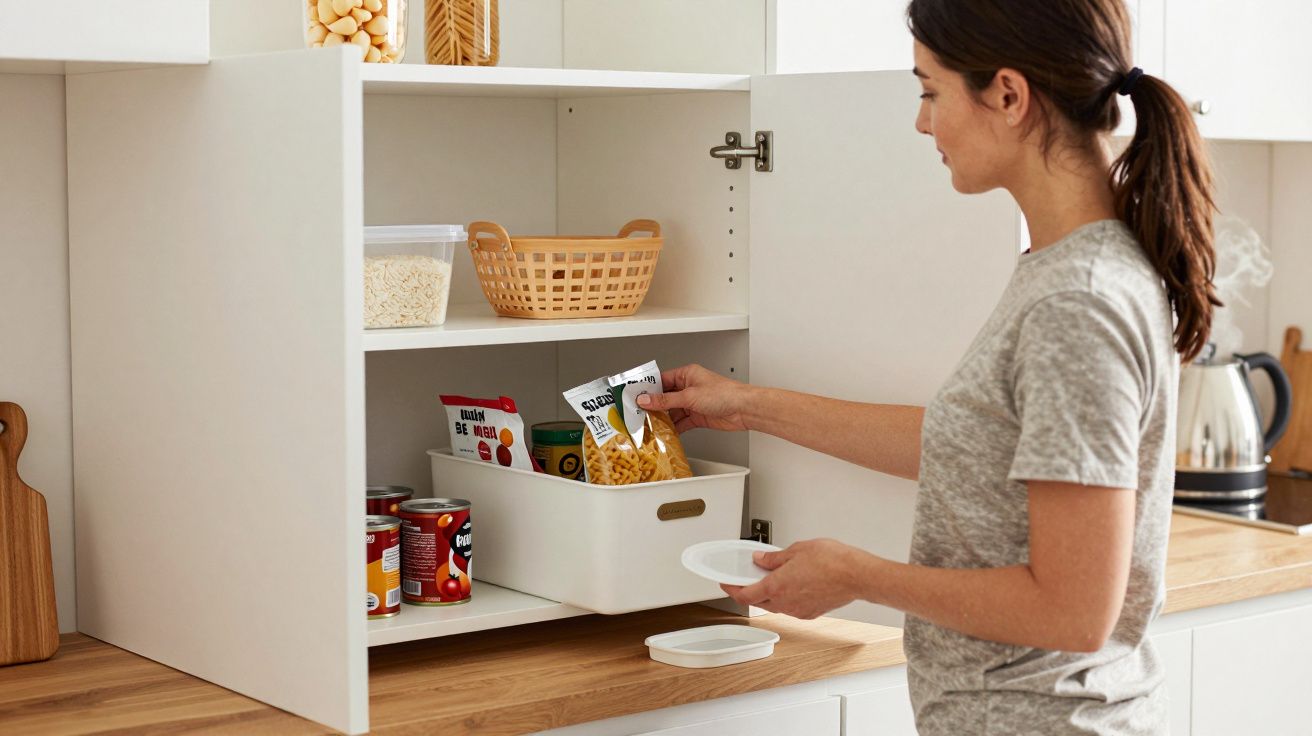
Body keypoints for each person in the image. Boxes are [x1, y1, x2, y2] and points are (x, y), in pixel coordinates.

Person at [636, 0, 1219, 733]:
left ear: (1008, 95)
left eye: (929, 91)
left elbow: (1074, 612)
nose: (921, 122)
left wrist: (856, 576)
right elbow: (978, 448)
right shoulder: (1063, 270)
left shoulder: (1078, 303)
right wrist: (746, 406)